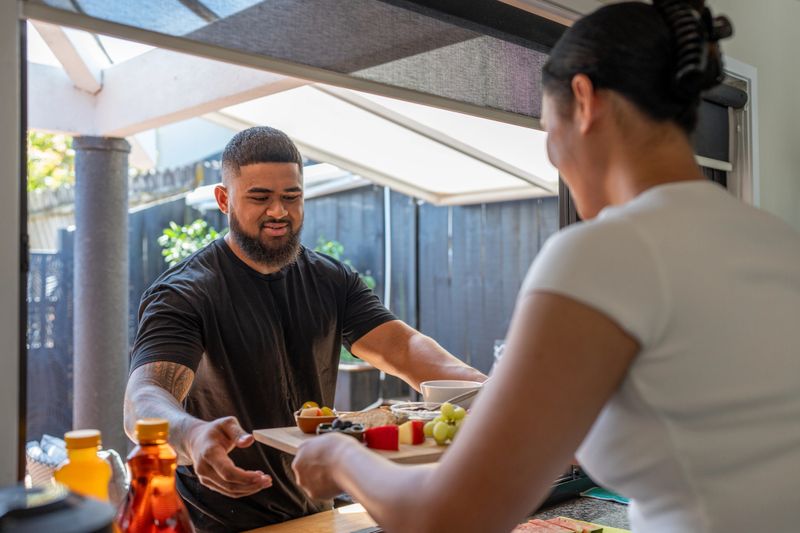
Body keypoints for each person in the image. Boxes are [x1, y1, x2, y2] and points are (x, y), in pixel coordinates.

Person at [291, 2, 800, 532]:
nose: (554, 154)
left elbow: (447, 516)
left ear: (583, 100)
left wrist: (340, 458)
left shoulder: (606, 252)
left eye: (546, 129)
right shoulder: (777, 241)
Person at [124, 126, 486, 533]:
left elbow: (403, 348)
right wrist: (191, 436)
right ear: (224, 199)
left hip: (317, 517)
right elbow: (144, 397)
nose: (278, 211)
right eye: (260, 197)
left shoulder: (331, 280)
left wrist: (489, 390)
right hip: (214, 522)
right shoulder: (185, 292)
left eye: (291, 197)